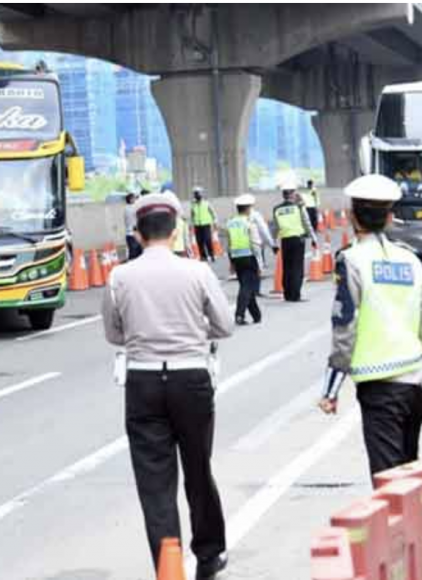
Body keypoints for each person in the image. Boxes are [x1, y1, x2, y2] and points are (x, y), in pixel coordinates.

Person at [102, 191, 234, 580]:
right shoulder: (197, 272)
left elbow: (114, 333)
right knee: (197, 467)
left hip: (142, 381)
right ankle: (209, 554)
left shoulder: (119, 276)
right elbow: (224, 325)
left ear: (139, 234)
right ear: (175, 231)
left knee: (154, 480)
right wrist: (193, 330)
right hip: (191, 376)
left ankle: (168, 564)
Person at [318, 174, 422, 479]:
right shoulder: (410, 261)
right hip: (414, 389)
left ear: (352, 216)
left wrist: (331, 389)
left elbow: (345, 327)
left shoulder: (351, 261)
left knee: (389, 486)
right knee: (408, 482)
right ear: (390, 217)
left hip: (380, 389)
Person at [270, 173, 316, 301]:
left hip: (285, 240)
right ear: (292, 194)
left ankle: (287, 294)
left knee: (287, 267)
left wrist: (273, 243)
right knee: (297, 268)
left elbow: (274, 228)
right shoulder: (299, 207)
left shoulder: (277, 209)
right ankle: (295, 295)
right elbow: (307, 223)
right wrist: (313, 238)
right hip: (298, 239)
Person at [226, 194, 262, 325]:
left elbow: (229, 245)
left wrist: (231, 262)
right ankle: (239, 314)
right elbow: (255, 244)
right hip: (249, 257)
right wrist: (260, 264)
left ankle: (256, 315)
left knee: (246, 285)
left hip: (236, 258)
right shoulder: (249, 223)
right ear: (247, 209)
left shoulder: (230, 223)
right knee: (247, 287)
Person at [190, 186, 218, 262]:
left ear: (201, 194)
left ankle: (212, 255)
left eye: (198, 193)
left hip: (206, 225)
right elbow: (192, 215)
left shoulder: (206, 203)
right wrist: (191, 225)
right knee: (199, 241)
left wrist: (215, 221)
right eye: (195, 194)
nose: (196, 195)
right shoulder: (193, 205)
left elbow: (213, 213)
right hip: (197, 225)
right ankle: (203, 256)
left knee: (207, 240)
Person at [124, 192, 142, 260]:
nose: (135, 199)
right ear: (130, 199)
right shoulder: (130, 208)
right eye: (134, 198)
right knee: (134, 254)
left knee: (136, 253)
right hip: (132, 234)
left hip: (132, 233)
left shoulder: (128, 207)